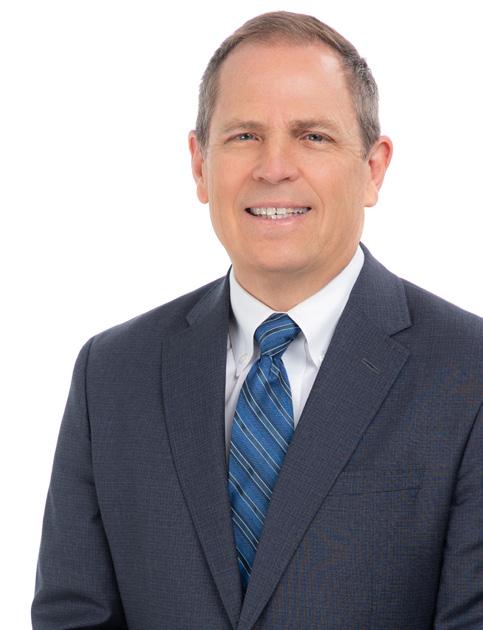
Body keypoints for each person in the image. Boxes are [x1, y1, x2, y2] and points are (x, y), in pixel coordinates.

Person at [32, 10, 482, 630]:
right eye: (244, 135)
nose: (274, 167)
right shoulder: (110, 374)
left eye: (313, 136)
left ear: (373, 168)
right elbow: (71, 615)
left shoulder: (469, 374)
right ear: (200, 164)